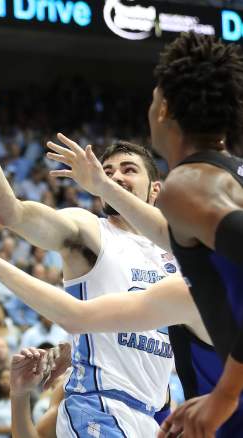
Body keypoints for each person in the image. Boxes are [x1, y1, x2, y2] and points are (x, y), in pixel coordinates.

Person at [0, 107, 174, 436]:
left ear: (155, 189)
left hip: (147, 416)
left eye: (129, 169)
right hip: (99, 407)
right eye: (107, 171)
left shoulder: (173, 254)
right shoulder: (90, 230)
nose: (116, 176)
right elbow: (12, 212)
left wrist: (72, 350)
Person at [147, 33, 243, 438]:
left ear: (165, 107)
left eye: (152, 101)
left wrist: (225, 393)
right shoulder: (231, 173)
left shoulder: (185, 185)